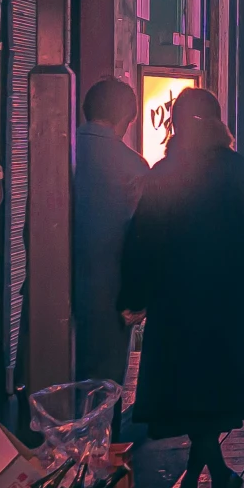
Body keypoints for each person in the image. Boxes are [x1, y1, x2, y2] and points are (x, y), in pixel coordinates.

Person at [119, 87, 244, 488]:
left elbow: (143, 240)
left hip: (181, 306)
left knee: (189, 397)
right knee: (213, 397)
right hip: (236, 306)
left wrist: (134, 298)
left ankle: (219, 476)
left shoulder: (166, 173)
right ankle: (199, 478)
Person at [72, 78, 149, 393]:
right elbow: (140, 238)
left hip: (46, 289)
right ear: (127, 119)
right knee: (101, 389)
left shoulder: (54, 152)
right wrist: (139, 296)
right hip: (110, 293)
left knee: (50, 380)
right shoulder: (133, 166)